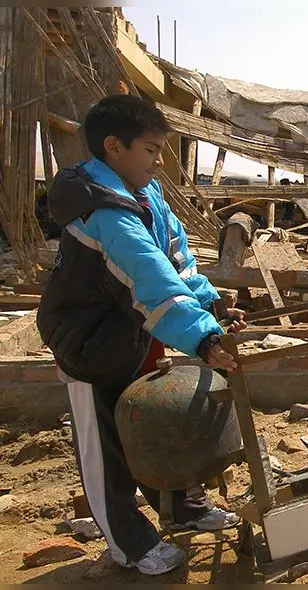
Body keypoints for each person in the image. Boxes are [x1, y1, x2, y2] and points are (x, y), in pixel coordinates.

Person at [36, 94, 249, 576]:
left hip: (132, 331)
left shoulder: (146, 195)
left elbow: (177, 262)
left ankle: (183, 509)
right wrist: (204, 338)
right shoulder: (104, 213)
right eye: (150, 150)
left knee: (156, 426)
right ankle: (130, 546)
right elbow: (150, 278)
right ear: (114, 147)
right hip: (89, 345)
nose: (159, 161)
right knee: (108, 449)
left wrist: (211, 304)